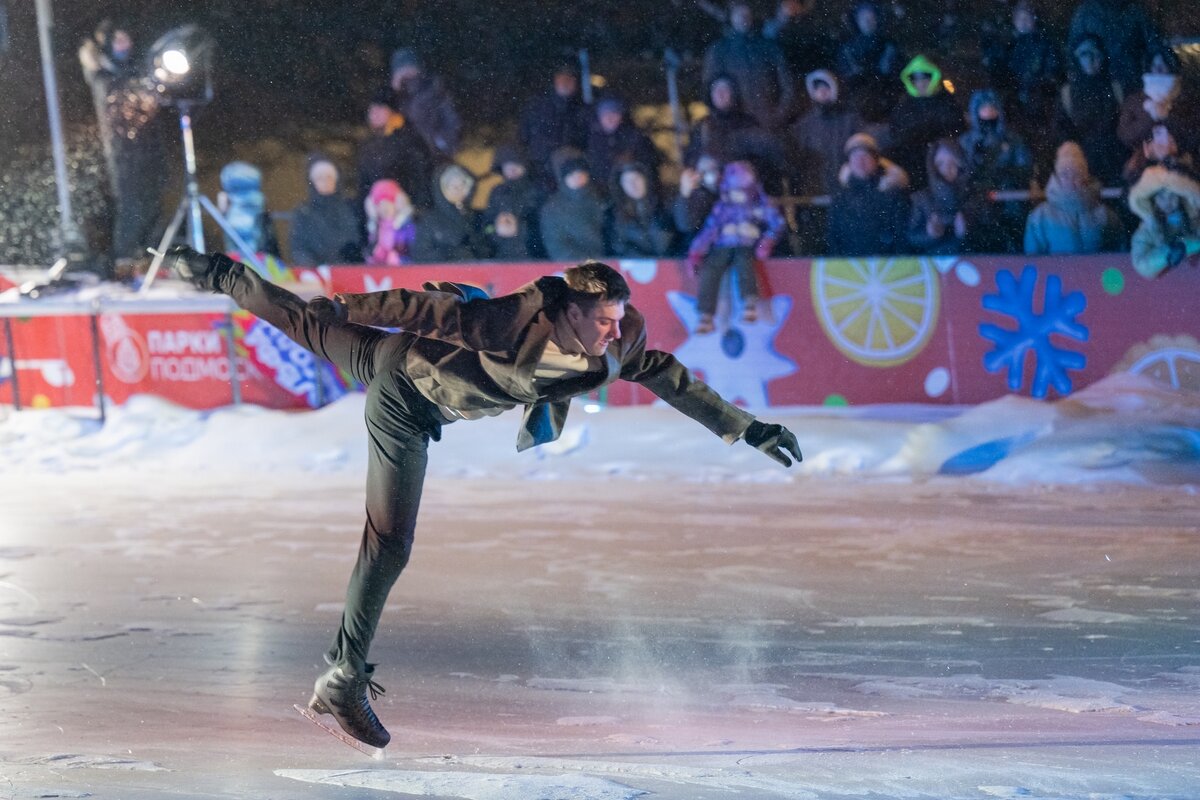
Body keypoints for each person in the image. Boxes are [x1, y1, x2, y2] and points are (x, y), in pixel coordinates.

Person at [161, 246, 803, 751]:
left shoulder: (617, 340)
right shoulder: (506, 325)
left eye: (617, 319)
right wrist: (341, 307)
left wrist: (749, 429)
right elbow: (415, 309)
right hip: (404, 395)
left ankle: (342, 673)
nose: (613, 331)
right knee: (389, 543)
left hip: (410, 366)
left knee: (311, 333)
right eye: (601, 321)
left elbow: (669, 376)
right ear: (568, 313)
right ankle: (342, 676)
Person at [78, 19, 167, 278]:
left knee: (153, 204)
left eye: (126, 39)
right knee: (132, 205)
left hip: (149, 148)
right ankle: (124, 258)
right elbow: (110, 85)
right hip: (123, 152)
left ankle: (147, 257)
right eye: (118, 40)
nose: (124, 45)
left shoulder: (138, 68)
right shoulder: (102, 72)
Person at [685, 161, 786, 333]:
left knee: (744, 263)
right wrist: (696, 251)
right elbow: (710, 228)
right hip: (723, 244)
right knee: (711, 268)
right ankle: (706, 314)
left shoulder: (758, 202)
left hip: (746, 243)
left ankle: (749, 303)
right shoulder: (723, 205)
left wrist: (766, 241)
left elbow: (777, 222)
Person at [685, 75, 790, 194]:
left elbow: (767, 157)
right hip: (712, 194)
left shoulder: (747, 122)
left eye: (725, 89)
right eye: (715, 89)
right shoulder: (702, 126)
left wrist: (746, 169)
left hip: (744, 194)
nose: (720, 94)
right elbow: (690, 157)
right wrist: (702, 164)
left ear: (734, 93)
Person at [982, 0, 1061, 159]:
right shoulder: (1008, 45)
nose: (1023, 23)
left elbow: (1053, 71)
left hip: (1039, 103)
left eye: (1027, 18)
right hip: (1015, 104)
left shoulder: (1045, 44)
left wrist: (1038, 86)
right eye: (1020, 18)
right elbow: (1000, 71)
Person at [701, 1, 796, 130]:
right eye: (738, 13)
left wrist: (779, 116)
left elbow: (787, 86)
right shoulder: (719, 51)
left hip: (769, 125)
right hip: (735, 129)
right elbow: (711, 93)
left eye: (746, 13)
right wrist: (723, 120)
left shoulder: (769, 47)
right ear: (731, 16)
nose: (742, 17)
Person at [1024, 141, 1125, 255]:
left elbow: (1118, 253)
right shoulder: (1040, 216)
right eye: (1065, 174)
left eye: (1077, 173)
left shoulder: (1105, 215)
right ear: (1057, 177)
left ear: (1085, 177)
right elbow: (1033, 259)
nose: (1071, 179)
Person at [1054, 35, 1127, 186]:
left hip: (1116, 164)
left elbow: (1125, 125)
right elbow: (1062, 129)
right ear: (1076, 59)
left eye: (1095, 53)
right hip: (1081, 168)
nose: (1090, 59)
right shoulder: (1067, 93)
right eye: (1084, 54)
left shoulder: (1116, 88)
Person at [884, 54, 962, 189]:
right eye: (916, 80)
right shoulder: (904, 106)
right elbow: (896, 134)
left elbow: (956, 129)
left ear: (933, 78)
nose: (921, 83)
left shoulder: (946, 102)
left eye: (925, 79)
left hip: (941, 162)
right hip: (914, 164)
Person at [826, 132, 910, 255]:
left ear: (876, 161)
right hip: (849, 267)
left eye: (865, 156)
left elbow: (902, 236)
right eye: (854, 156)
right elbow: (833, 237)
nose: (860, 161)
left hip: (887, 266)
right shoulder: (841, 197)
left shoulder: (893, 193)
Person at [356, 90, 435, 212]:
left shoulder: (411, 142)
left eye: (380, 109)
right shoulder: (368, 146)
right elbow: (364, 186)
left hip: (403, 215)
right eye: (371, 110)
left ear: (394, 113)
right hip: (377, 217)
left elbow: (421, 181)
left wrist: (417, 211)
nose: (374, 114)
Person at [788, 70, 864, 196]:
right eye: (817, 88)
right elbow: (798, 158)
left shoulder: (850, 120)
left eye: (826, 87)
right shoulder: (804, 125)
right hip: (814, 189)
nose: (822, 92)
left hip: (846, 187)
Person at [518, 63, 592, 192]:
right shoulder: (537, 105)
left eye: (570, 79)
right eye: (561, 78)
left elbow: (588, 140)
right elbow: (524, 136)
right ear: (555, 80)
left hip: (572, 173)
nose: (565, 83)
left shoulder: (582, 109)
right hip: (542, 172)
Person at [1117, 46, 1200, 160]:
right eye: (1154, 65)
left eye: (1163, 65)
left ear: (1171, 66)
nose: (1158, 70)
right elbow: (1125, 135)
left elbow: (1195, 135)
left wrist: (1167, 117)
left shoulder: (1187, 98)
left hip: (1182, 164)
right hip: (1145, 166)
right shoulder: (1135, 100)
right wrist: (1150, 117)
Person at [1068, 0, 1164, 93]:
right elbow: (1074, 52)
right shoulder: (1085, 12)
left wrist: (1158, 57)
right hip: (1102, 90)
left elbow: (1154, 42)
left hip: (1134, 84)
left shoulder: (1135, 10)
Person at [907, 139, 979, 255]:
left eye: (952, 162)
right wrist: (930, 234)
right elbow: (911, 236)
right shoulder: (921, 198)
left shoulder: (973, 195)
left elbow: (990, 232)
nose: (947, 168)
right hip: (934, 264)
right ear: (933, 166)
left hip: (972, 262)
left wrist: (967, 232)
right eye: (940, 163)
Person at [835, 0, 903, 121]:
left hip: (887, 108)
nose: (868, 21)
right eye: (863, 17)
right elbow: (845, 81)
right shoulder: (847, 50)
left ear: (877, 19)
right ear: (856, 20)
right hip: (856, 110)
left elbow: (896, 80)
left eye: (871, 17)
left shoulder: (889, 47)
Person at [1127, 164, 1200, 278]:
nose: (1168, 202)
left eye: (1172, 196)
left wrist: (1189, 245)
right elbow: (1141, 264)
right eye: (1161, 197)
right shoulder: (1147, 230)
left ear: (1181, 198)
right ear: (1152, 201)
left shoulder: (1194, 222)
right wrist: (1168, 253)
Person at [289, 155, 363, 266]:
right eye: (319, 178)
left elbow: (358, 244)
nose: (325, 182)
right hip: (316, 275)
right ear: (312, 182)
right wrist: (311, 266)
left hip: (347, 273)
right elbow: (299, 248)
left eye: (329, 177)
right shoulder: (304, 212)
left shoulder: (350, 209)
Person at [387, 48, 461, 158]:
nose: (406, 74)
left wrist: (441, 143)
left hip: (434, 153)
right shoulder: (393, 98)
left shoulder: (434, 89)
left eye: (408, 68)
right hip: (410, 156)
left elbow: (451, 119)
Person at [587, 97, 664, 200]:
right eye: (605, 114)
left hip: (634, 194)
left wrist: (633, 164)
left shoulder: (636, 137)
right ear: (599, 117)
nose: (610, 118)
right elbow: (594, 168)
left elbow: (652, 163)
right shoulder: (593, 139)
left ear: (621, 116)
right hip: (606, 194)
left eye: (614, 114)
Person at [410, 164, 488, 263]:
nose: (460, 191)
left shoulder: (475, 216)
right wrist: (451, 254)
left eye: (463, 185)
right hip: (443, 276)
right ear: (443, 189)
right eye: (454, 187)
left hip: (473, 275)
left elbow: (486, 250)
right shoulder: (430, 220)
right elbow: (420, 254)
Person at [539, 154, 609, 260]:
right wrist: (585, 263)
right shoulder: (553, 208)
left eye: (581, 174)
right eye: (572, 175)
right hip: (573, 266)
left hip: (607, 263)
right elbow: (556, 244)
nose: (578, 178)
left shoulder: (600, 200)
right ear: (564, 178)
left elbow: (610, 235)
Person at [485, 144, 545, 258]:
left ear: (525, 166)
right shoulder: (496, 192)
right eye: (507, 165)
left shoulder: (537, 191)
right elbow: (486, 225)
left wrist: (520, 229)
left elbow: (544, 228)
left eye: (516, 164)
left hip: (530, 257)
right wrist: (496, 230)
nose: (512, 169)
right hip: (500, 258)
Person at [607, 162, 675, 258]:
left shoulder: (665, 205)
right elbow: (618, 247)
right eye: (626, 181)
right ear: (620, 185)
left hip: (669, 266)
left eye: (636, 179)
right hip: (633, 268)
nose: (632, 185)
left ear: (646, 180)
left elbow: (673, 241)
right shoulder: (614, 214)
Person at [215, 161, 280, 259]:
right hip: (262, 260)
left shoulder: (234, 209)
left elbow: (234, 242)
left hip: (245, 259)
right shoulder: (258, 201)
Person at [763, 0, 833, 77]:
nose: (791, 6)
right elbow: (769, 35)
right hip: (787, 70)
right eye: (787, 4)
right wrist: (782, 19)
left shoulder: (810, 22)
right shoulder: (774, 27)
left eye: (793, 3)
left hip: (814, 69)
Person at [364, 179, 416, 266]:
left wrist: (398, 257)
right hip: (380, 270)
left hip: (403, 269)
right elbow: (371, 250)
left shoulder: (405, 225)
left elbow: (413, 249)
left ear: (397, 204)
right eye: (381, 205)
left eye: (388, 204)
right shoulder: (374, 226)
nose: (385, 208)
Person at [673, 153, 723, 241]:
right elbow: (685, 224)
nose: (703, 175)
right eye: (702, 171)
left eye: (712, 170)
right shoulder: (699, 196)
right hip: (699, 248)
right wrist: (685, 193)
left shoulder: (730, 195)